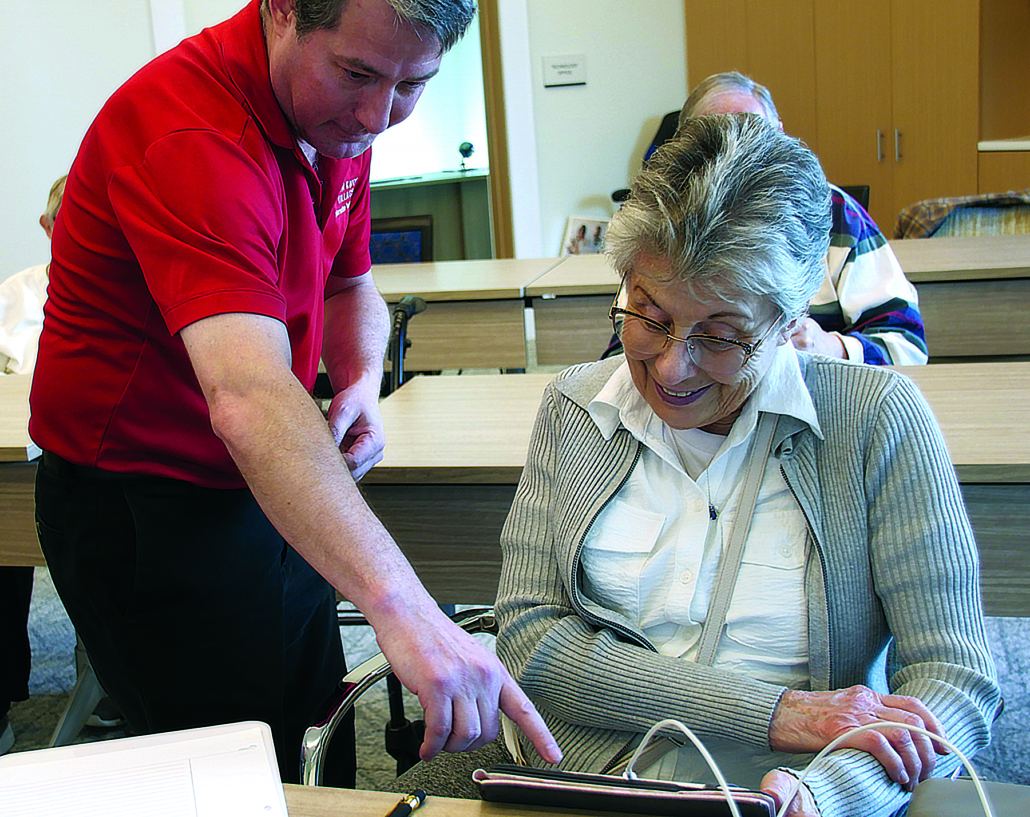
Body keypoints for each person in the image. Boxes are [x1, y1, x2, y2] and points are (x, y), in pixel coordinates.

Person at [28, 0, 559, 783]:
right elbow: (246, 396)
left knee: (315, 730)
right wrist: (405, 607)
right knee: (229, 767)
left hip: (263, 470)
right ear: (282, 10)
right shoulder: (193, 136)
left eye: (414, 84)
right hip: (148, 503)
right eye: (360, 74)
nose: (380, 115)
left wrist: (360, 380)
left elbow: (351, 283)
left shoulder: (334, 117)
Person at [494, 115, 998, 817]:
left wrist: (824, 794)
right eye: (649, 315)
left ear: (790, 320)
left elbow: (955, 676)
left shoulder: (876, 420)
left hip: (791, 793)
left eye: (722, 337)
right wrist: (773, 711)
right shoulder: (574, 410)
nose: (673, 366)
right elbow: (529, 641)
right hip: (590, 786)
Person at [680, 72, 927, 366]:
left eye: (754, 134)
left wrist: (832, 347)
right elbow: (625, 354)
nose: (738, 153)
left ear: (780, 137)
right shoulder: (667, 220)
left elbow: (906, 345)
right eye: (717, 138)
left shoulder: (834, 213)